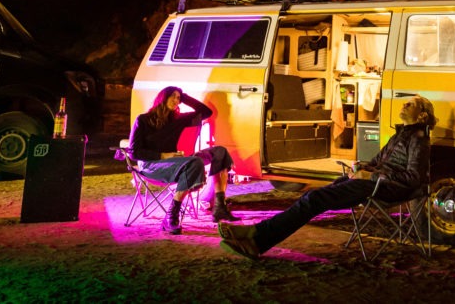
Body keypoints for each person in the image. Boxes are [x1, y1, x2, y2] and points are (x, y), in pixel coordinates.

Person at [217, 95, 437, 259]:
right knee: (316, 197)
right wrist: (360, 167)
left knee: (313, 200)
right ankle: (256, 233)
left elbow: (413, 178)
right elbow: (376, 162)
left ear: (422, 115)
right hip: (371, 183)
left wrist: (371, 175)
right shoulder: (401, 134)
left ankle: (256, 239)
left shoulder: (418, 138)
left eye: (410, 104)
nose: (403, 105)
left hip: (384, 188)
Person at [129, 86, 238, 234]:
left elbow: (206, 112)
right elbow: (134, 153)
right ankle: (171, 216)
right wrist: (163, 156)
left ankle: (220, 207)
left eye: (178, 98)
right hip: (151, 166)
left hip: (176, 163)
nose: (176, 101)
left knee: (220, 152)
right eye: (173, 96)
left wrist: (184, 96)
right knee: (194, 163)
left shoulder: (177, 119)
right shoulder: (143, 120)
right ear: (163, 97)